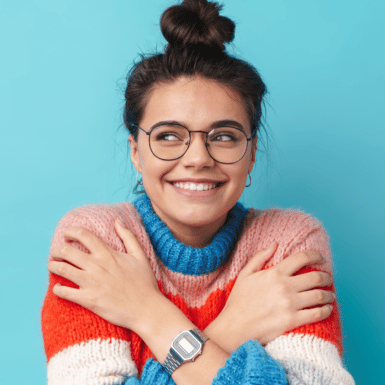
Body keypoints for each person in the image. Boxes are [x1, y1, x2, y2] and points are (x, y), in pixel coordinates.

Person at [41, 0, 355, 383]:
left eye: (223, 136)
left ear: (251, 154)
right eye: (169, 136)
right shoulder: (96, 244)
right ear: (136, 153)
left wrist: (146, 314)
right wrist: (234, 326)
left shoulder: (289, 244)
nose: (197, 159)